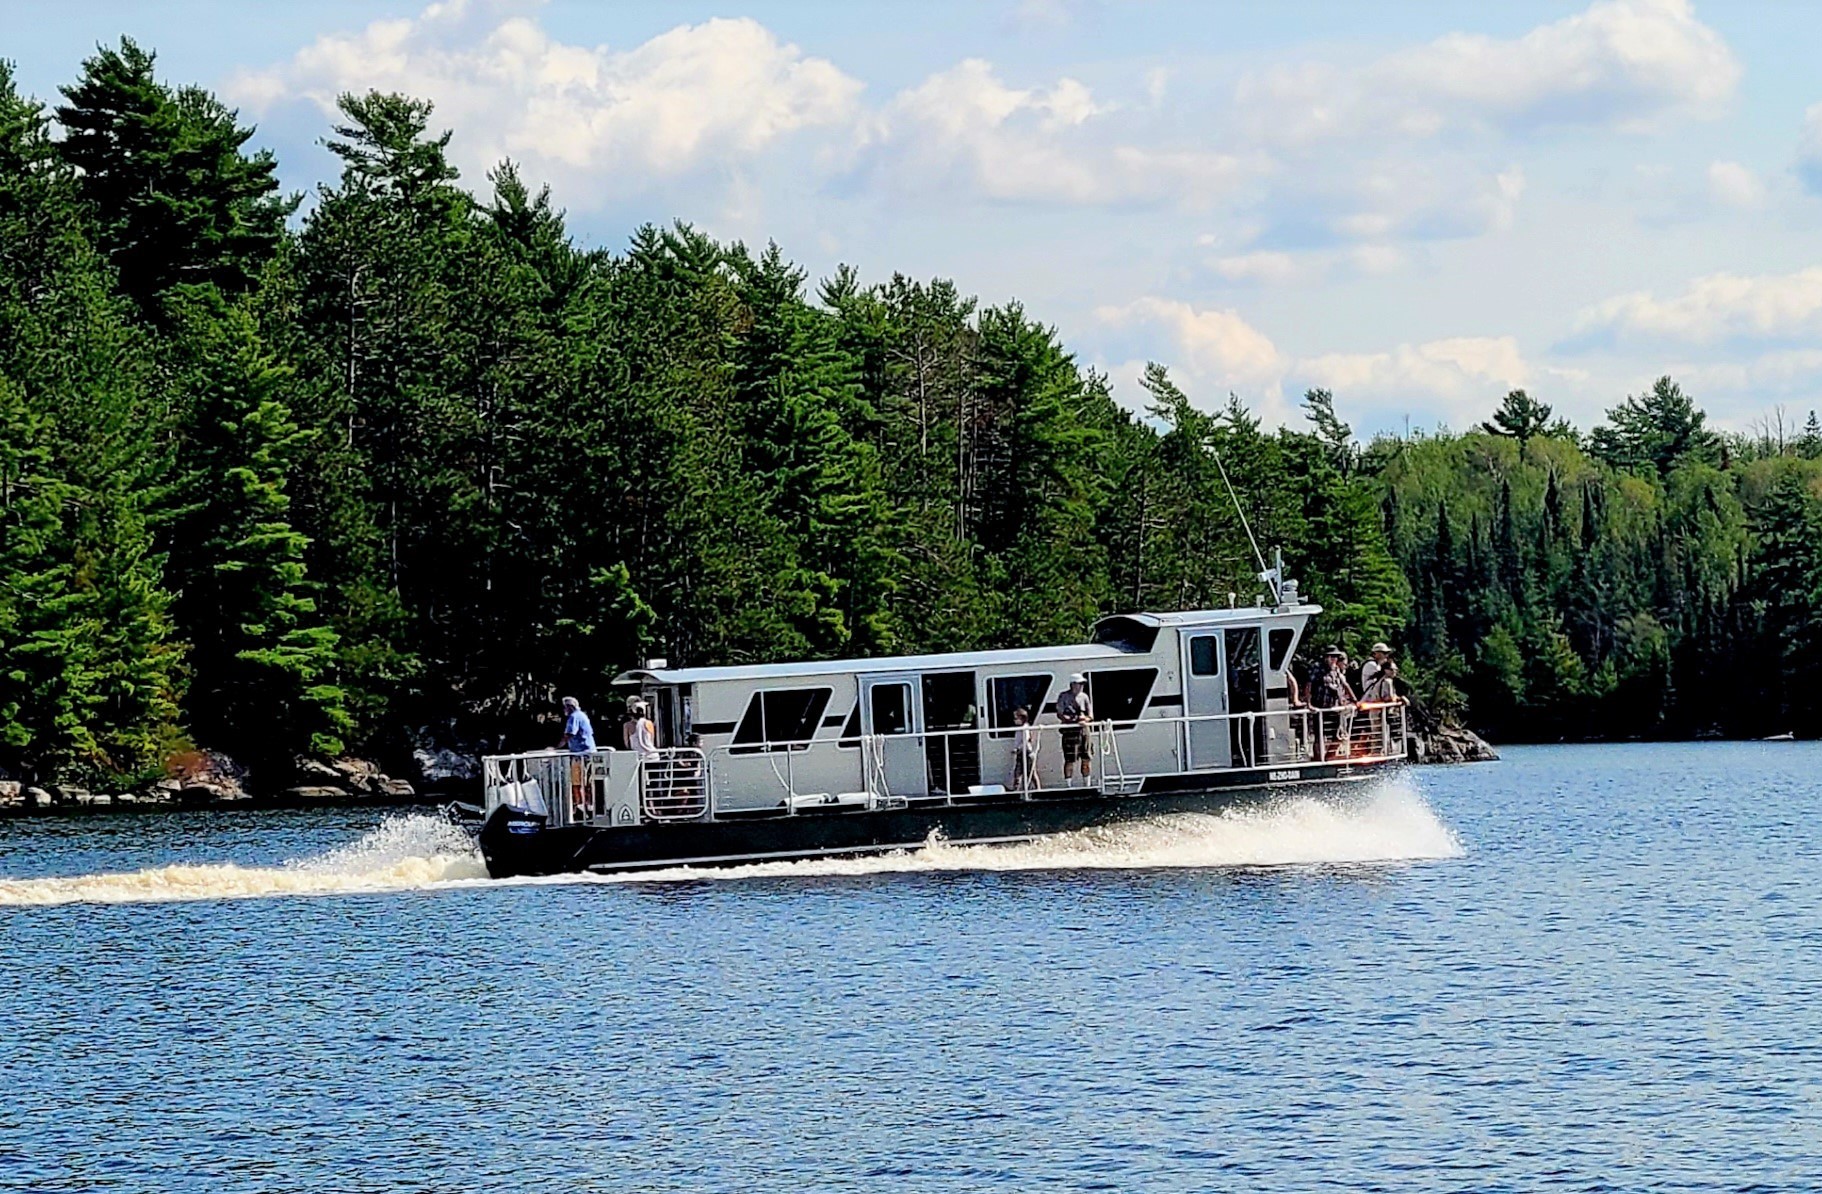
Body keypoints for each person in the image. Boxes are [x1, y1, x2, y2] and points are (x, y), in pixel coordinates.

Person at [1309, 648, 1356, 759]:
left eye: (1335, 657)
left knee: (1339, 735)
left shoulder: (1335, 670)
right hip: (1319, 706)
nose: (1334, 659)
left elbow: (1343, 684)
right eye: (1332, 656)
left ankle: (1328, 757)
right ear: (1326, 657)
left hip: (1333, 707)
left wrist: (1354, 700)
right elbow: (1309, 685)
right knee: (1319, 735)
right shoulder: (1317, 669)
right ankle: (1318, 759)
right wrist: (1309, 704)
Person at [557, 696, 595, 819]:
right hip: (588, 752)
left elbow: (569, 734)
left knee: (577, 783)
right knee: (588, 782)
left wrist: (557, 748)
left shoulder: (574, 717)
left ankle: (581, 807)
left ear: (569, 707)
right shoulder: (583, 715)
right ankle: (589, 806)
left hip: (580, 754)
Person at [1057, 673, 1093, 784]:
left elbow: (1091, 715)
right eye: (1079, 683)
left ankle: (1087, 783)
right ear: (1073, 684)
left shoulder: (1085, 697)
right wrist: (1072, 720)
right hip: (1070, 731)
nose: (1081, 686)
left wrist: (1084, 719)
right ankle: (1069, 785)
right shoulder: (1063, 696)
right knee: (1069, 759)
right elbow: (1060, 714)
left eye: (1082, 684)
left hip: (1083, 731)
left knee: (1086, 757)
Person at [1009, 707, 1040, 794]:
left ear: (1022, 718)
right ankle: (1016, 790)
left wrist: (1017, 748)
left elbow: (1025, 741)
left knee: (1031, 773)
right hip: (1020, 754)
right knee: (1017, 773)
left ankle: (1038, 789)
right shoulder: (1019, 728)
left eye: (1016, 718)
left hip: (1026, 753)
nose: (1014, 720)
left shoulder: (1025, 728)